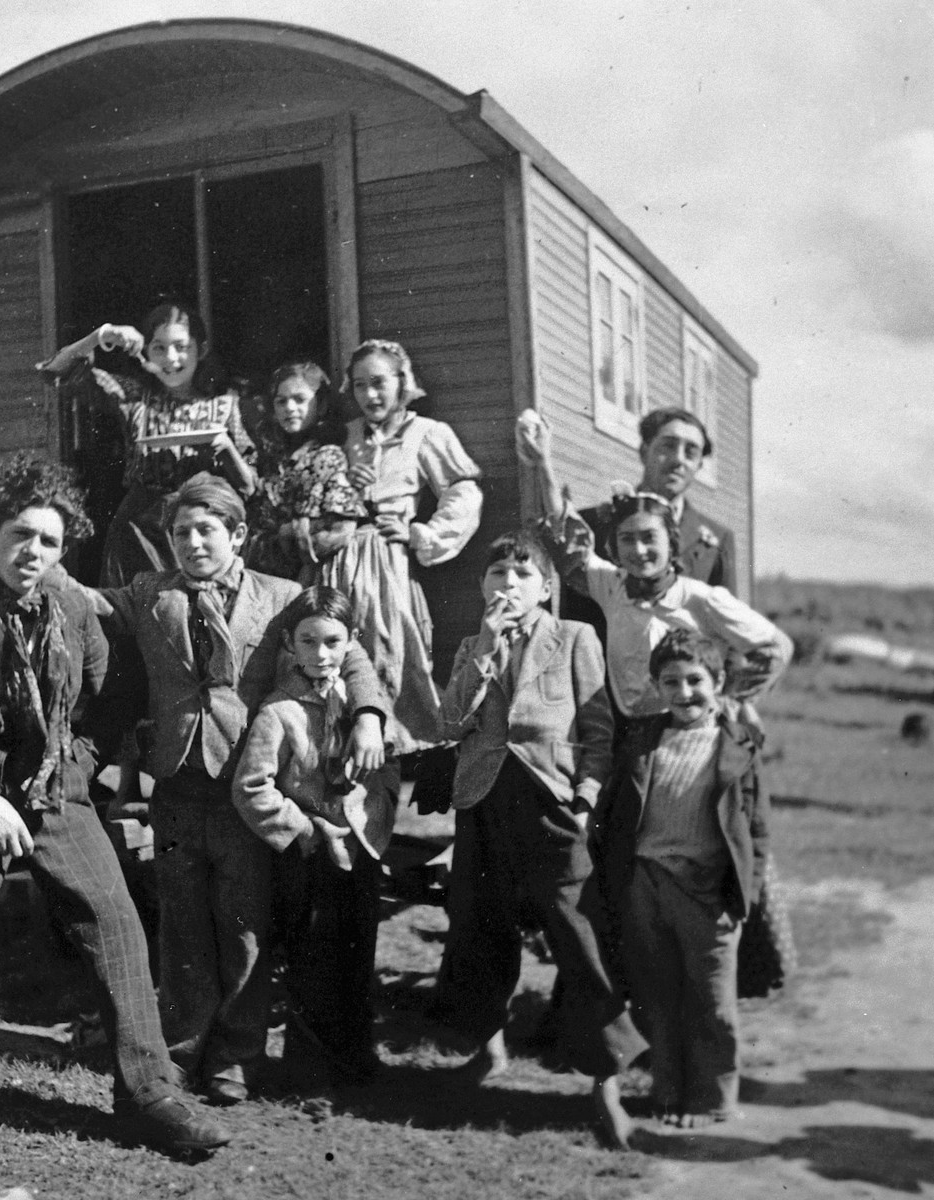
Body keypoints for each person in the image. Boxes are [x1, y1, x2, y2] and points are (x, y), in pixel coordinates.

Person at [0, 454, 231, 1155]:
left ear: (61, 549)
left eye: (47, 541)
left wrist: (75, 769)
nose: (31, 552)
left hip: (54, 796)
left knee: (114, 912)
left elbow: (115, 703)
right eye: (20, 535)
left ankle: (147, 1091)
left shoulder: (74, 610)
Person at [85, 474, 387, 1106]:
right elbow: (88, 600)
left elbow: (349, 652)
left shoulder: (280, 598)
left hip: (243, 792)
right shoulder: (150, 592)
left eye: (207, 531)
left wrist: (367, 715)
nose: (193, 544)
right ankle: (183, 1050)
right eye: (180, 533)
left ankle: (237, 1057)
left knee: (245, 926)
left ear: (239, 536)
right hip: (176, 788)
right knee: (182, 928)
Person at [430, 530, 646, 1149]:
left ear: (546, 587)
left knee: (578, 935)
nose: (507, 585)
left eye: (520, 575)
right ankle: (486, 1050)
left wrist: (583, 800)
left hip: (552, 804)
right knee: (477, 925)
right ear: (482, 587)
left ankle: (605, 1083)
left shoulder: (575, 638)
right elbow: (450, 722)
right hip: (484, 801)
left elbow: (598, 728)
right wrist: (485, 653)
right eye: (496, 574)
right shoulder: (474, 645)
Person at [595, 629, 770, 1127]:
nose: (684, 692)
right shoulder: (644, 738)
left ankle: (713, 1098)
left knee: (711, 1003)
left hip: (709, 892)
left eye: (695, 680)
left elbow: (757, 830)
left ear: (718, 682)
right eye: (670, 682)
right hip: (646, 887)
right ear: (656, 686)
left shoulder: (738, 744)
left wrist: (745, 897)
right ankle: (667, 1091)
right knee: (658, 997)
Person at [517, 411, 792, 728]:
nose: (678, 460)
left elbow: (733, 645)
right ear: (644, 450)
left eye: (691, 451)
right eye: (668, 445)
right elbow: (568, 550)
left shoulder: (715, 543)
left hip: (683, 720)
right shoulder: (597, 529)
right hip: (603, 717)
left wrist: (729, 703)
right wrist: (543, 466)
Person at [232, 586, 396, 1088]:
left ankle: (354, 1056)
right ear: (289, 643)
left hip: (359, 844)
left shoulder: (364, 701)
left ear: (351, 643)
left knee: (357, 948)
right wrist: (304, 827)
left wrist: (371, 809)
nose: (320, 654)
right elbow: (250, 787)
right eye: (308, 642)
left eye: (332, 641)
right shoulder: (278, 712)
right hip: (306, 852)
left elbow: (388, 760)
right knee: (309, 956)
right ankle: (307, 1069)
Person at [327, 338, 483, 756]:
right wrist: (343, 486)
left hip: (386, 567)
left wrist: (420, 532)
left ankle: (388, 766)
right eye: (359, 386)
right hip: (340, 561)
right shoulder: (347, 437)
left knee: (388, 656)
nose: (370, 395)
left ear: (402, 382)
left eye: (378, 383)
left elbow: (464, 493)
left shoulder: (426, 433)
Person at [38, 301, 256, 587]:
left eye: (181, 346)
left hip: (200, 533)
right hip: (140, 533)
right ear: (146, 352)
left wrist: (226, 447)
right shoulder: (134, 398)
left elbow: (250, 484)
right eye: (159, 348)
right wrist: (103, 335)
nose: (170, 357)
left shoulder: (226, 405)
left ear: (200, 350)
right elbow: (54, 372)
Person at [245, 362, 367, 582]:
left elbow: (340, 529)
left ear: (320, 406)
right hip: (262, 576)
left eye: (300, 400)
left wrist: (289, 535)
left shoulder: (328, 457)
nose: (289, 408)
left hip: (306, 575)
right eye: (281, 401)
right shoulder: (268, 459)